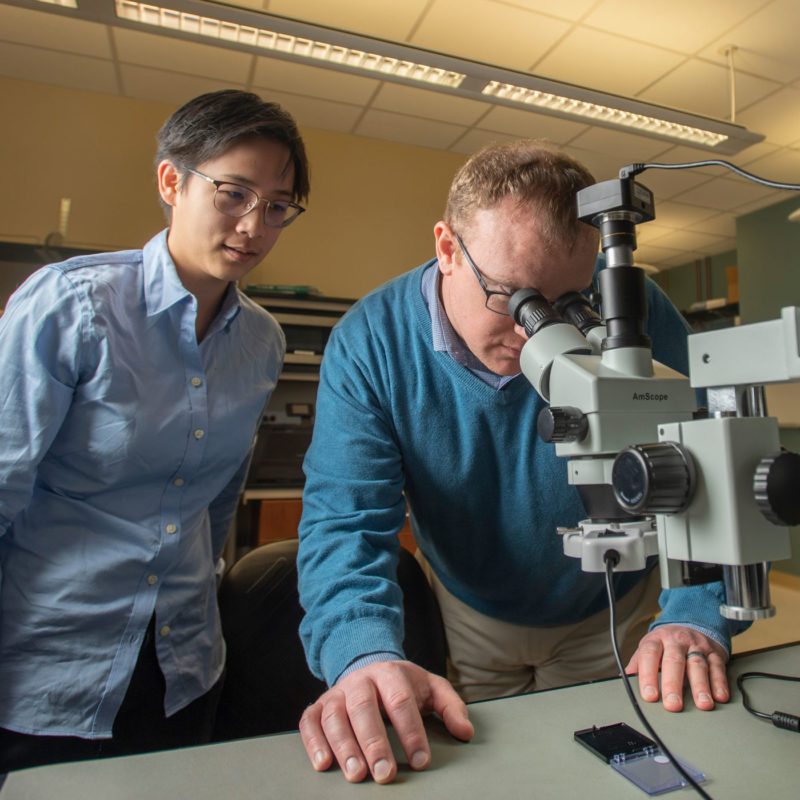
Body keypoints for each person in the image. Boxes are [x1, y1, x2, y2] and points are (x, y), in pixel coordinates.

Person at [296, 140, 743, 785]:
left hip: (615, 607)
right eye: (514, 299)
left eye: (571, 305)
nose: (540, 333)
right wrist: (360, 653)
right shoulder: (372, 343)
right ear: (447, 248)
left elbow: (707, 468)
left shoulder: (633, 308)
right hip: (474, 609)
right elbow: (345, 524)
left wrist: (694, 612)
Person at [0, 89, 309, 772]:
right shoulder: (74, 307)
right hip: (49, 668)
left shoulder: (261, 341)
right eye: (233, 194)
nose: (254, 225)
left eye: (278, 206)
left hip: (182, 669)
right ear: (171, 180)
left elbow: (216, 501)